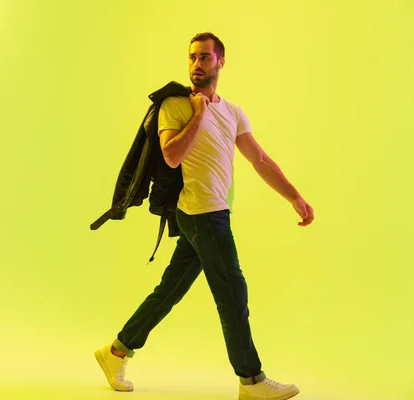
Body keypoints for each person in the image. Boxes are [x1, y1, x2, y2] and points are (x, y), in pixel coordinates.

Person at [94, 32, 314, 400]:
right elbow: (172, 156)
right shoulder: (176, 106)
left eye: (205, 58)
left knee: (170, 291)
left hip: (216, 213)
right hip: (201, 214)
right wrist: (198, 113)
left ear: (220, 62)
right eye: (192, 57)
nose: (197, 64)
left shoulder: (233, 111)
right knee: (232, 291)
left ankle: (115, 351)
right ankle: (252, 381)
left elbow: (258, 159)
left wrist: (294, 196)